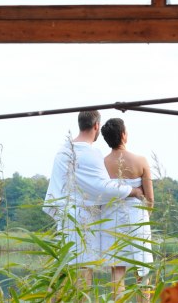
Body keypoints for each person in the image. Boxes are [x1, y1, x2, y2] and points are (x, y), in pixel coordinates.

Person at [44, 111, 145, 288]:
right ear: (96, 125)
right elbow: (102, 187)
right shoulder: (92, 154)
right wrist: (133, 191)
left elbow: (56, 189)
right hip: (84, 222)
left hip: (65, 220)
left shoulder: (62, 151)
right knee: (83, 275)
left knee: (64, 275)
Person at [100, 117, 154, 301]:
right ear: (123, 135)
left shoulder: (102, 164)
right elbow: (150, 199)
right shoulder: (141, 161)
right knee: (143, 267)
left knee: (117, 268)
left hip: (110, 218)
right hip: (137, 218)